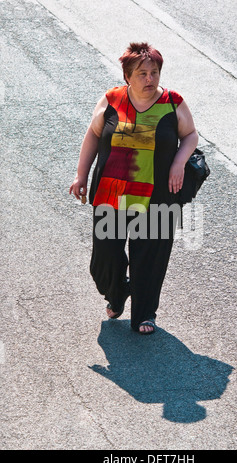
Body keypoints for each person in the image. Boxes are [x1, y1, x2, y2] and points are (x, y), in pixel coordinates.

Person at [69, 42, 198, 334]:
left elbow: (190, 135)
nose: (150, 79)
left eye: (154, 72)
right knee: (104, 257)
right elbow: (92, 136)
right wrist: (81, 176)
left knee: (150, 256)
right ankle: (116, 292)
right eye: (142, 73)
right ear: (128, 75)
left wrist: (179, 163)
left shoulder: (173, 102)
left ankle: (144, 314)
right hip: (112, 194)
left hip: (157, 195)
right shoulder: (111, 100)